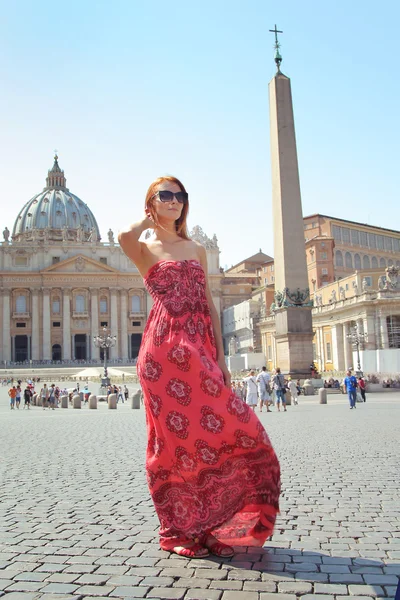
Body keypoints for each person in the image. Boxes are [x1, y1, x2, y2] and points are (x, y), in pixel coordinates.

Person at [118, 175, 280, 559]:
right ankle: (179, 530)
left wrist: (221, 358)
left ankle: (211, 524)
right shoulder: (143, 248)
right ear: (152, 203)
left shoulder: (197, 249)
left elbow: (208, 303)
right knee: (174, 444)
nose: (174, 201)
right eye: (165, 196)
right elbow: (125, 234)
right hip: (161, 354)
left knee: (226, 430)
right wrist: (148, 218)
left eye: (180, 196)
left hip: (199, 348)